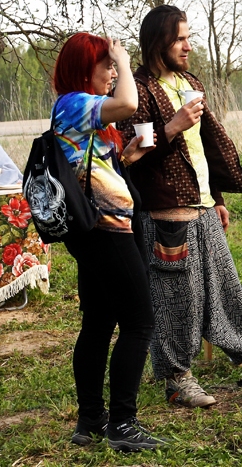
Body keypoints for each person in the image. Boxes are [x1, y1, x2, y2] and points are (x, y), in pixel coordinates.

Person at [118, 5, 242, 408]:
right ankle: (176, 379)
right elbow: (136, 155)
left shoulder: (189, 81)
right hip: (166, 213)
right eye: (180, 39)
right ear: (158, 43)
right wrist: (174, 126)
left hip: (201, 207)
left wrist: (216, 198)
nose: (187, 46)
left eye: (188, 37)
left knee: (225, 291)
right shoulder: (139, 90)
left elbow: (204, 148)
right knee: (174, 299)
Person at [52, 33, 165, 451]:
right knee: (140, 323)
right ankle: (123, 423)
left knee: (98, 324)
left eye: (114, 66)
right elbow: (130, 104)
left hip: (98, 229)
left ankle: (90, 422)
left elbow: (93, 168)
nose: (114, 73)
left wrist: (128, 156)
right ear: (86, 69)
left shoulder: (77, 112)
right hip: (107, 231)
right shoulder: (73, 102)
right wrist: (122, 54)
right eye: (107, 66)